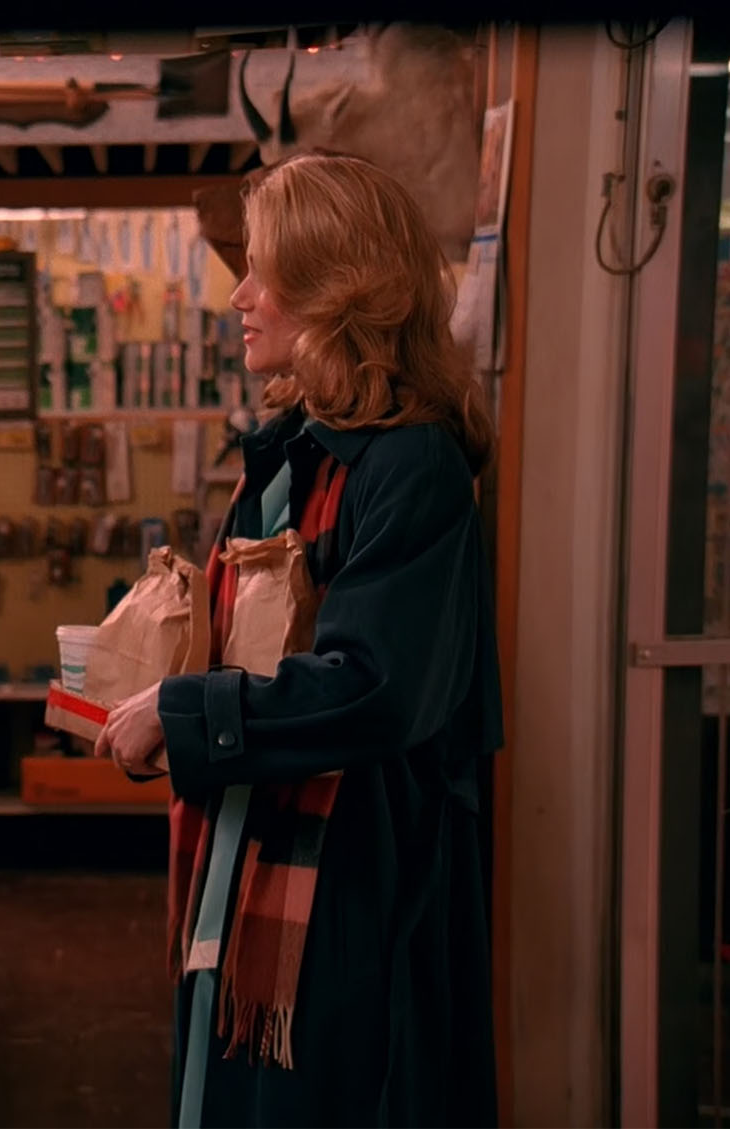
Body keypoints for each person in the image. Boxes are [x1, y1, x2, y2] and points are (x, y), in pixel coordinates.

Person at [94, 152, 503, 1128]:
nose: (238, 296)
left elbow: (375, 686)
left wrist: (184, 713)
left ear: (335, 289)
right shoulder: (294, 453)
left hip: (354, 891)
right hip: (257, 866)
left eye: (262, 271)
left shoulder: (411, 466)